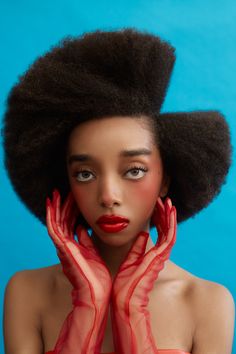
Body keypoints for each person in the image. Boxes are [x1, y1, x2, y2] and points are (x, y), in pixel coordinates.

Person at [2, 28, 235, 354]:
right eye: (84, 173)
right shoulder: (26, 293)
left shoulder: (207, 302)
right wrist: (88, 310)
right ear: (65, 181)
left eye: (134, 170)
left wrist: (131, 311)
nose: (108, 195)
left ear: (165, 179)